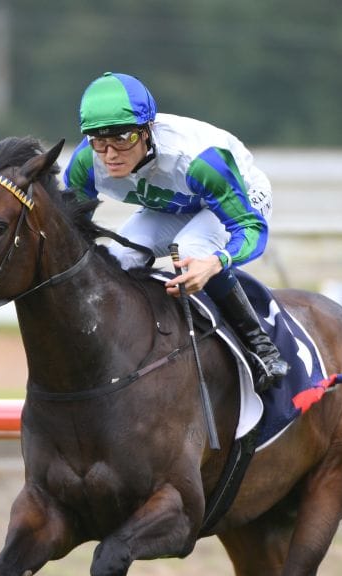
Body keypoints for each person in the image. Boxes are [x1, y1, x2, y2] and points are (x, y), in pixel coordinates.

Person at [62, 71, 289, 392]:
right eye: (99, 140)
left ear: (146, 131)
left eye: (122, 139)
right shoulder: (86, 163)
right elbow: (74, 231)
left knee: (190, 250)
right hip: (172, 204)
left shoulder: (200, 162)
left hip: (237, 195)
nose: (110, 154)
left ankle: (261, 347)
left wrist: (216, 262)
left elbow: (250, 229)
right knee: (116, 259)